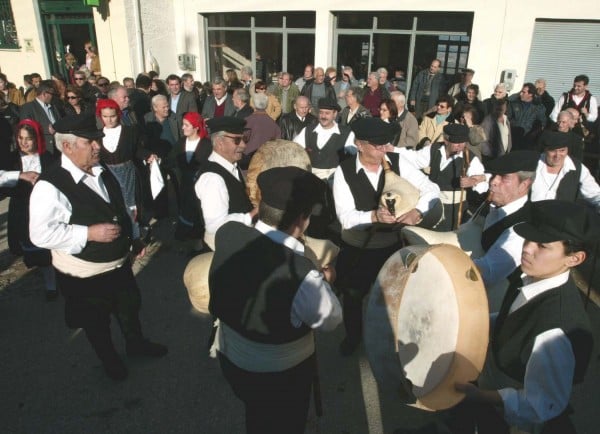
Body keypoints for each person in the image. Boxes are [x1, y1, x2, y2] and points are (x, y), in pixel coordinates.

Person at [29, 113, 167, 381]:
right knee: (96, 322)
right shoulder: (50, 185)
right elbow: (40, 234)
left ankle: (136, 345)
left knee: (129, 307)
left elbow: (122, 209)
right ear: (67, 146)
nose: (97, 147)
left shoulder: (102, 170)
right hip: (85, 274)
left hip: (117, 264)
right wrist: (88, 233)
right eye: (89, 142)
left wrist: (134, 236)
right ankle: (110, 360)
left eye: (97, 141)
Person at [210, 166, 341, 434]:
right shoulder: (303, 275)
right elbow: (331, 319)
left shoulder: (227, 232)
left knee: (257, 416)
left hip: (231, 360)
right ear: (302, 219)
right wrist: (326, 280)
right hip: (278, 378)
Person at [451, 199, 595, 434]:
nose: (527, 248)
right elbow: (513, 318)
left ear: (575, 258)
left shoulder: (556, 330)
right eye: (529, 239)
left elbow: (541, 406)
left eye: (543, 245)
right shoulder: (532, 273)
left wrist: (481, 397)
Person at [333, 117, 441, 356]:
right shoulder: (344, 171)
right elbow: (345, 216)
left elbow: (432, 189)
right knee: (353, 297)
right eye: (377, 146)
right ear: (359, 144)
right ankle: (353, 337)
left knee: (396, 297)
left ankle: (392, 343)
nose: (384, 150)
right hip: (357, 248)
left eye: (386, 144)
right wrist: (373, 216)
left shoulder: (397, 161)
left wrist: (417, 211)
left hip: (392, 246)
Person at [472, 151, 538, 308]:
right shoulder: (495, 205)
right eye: (494, 175)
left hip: (491, 306)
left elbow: (486, 273)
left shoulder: (521, 229)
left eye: (504, 177)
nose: (493, 182)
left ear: (524, 184)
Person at [0, 119, 57, 300]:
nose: (24, 143)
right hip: (22, 207)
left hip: (43, 209)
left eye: (29, 138)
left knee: (45, 249)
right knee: (26, 243)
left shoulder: (46, 157)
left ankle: (51, 284)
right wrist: (19, 179)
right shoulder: (12, 159)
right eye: (20, 138)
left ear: (37, 139)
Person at [400, 123, 488, 231]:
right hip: (431, 205)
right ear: (446, 140)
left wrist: (473, 181)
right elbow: (414, 158)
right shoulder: (434, 149)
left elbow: (484, 183)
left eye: (463, 142)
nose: (460, 145)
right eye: (456, 142)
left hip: (454, 210)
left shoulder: (470, 159)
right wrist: (392, 150)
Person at [195, 117, 256, 250]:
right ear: (219, 142)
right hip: (223, 250)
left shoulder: (231, 165)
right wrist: (250, 216)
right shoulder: (212, 178)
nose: (243, 145)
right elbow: (215, 225)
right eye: (237, 140)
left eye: (244, 139)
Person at [531, 131, 600, 211]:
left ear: (567, 150)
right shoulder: (532, 164)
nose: (557, 155)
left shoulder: (577, 168)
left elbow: (595, 194)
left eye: (562, 150)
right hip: (532, 218)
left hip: (562, 219)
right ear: (545, 150)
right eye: (553, 151)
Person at [293, 98, 356, 181]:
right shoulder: (308, 130)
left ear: (335, 114)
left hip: (334, 178)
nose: (323, 116)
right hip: (310, 177)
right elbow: (294, 150)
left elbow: (352, 160)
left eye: (327, 113)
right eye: (321, 112)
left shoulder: (346, 133)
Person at [173, 112, 209, 246]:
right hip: (185, 185)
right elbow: (171, 159)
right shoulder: (181, 142)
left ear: (196, 127)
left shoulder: (206, 144)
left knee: (198, 210)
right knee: (185, 210)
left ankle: (199, 240)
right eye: (183, 125)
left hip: (200, 185)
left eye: (186, 125)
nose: (183, 128)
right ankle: (186, 238)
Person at [20, 80, 63, 156]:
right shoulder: (28, 108)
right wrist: (47, 130)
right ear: (44, 94)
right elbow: (26, 130)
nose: (53, 97)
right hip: (42, 150)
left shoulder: (54, 107)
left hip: (57, 149)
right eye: (52, 94)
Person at [241, 92, 281, 169]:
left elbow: (243, 139)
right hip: (268, 160)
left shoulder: (248, 121)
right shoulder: (273, 123)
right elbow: (277, 142)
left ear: (253, 104)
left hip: (250, 160)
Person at [480, 98, 512, 163]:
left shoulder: (506, 119)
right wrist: (492, 154)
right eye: (498, 109)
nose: (499, 112)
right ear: (494, 108)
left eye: (501, 109)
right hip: (493, 159)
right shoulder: (488, 121)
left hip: (504, 156)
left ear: (505, 109)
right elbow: (482, 141)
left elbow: (508, 136)